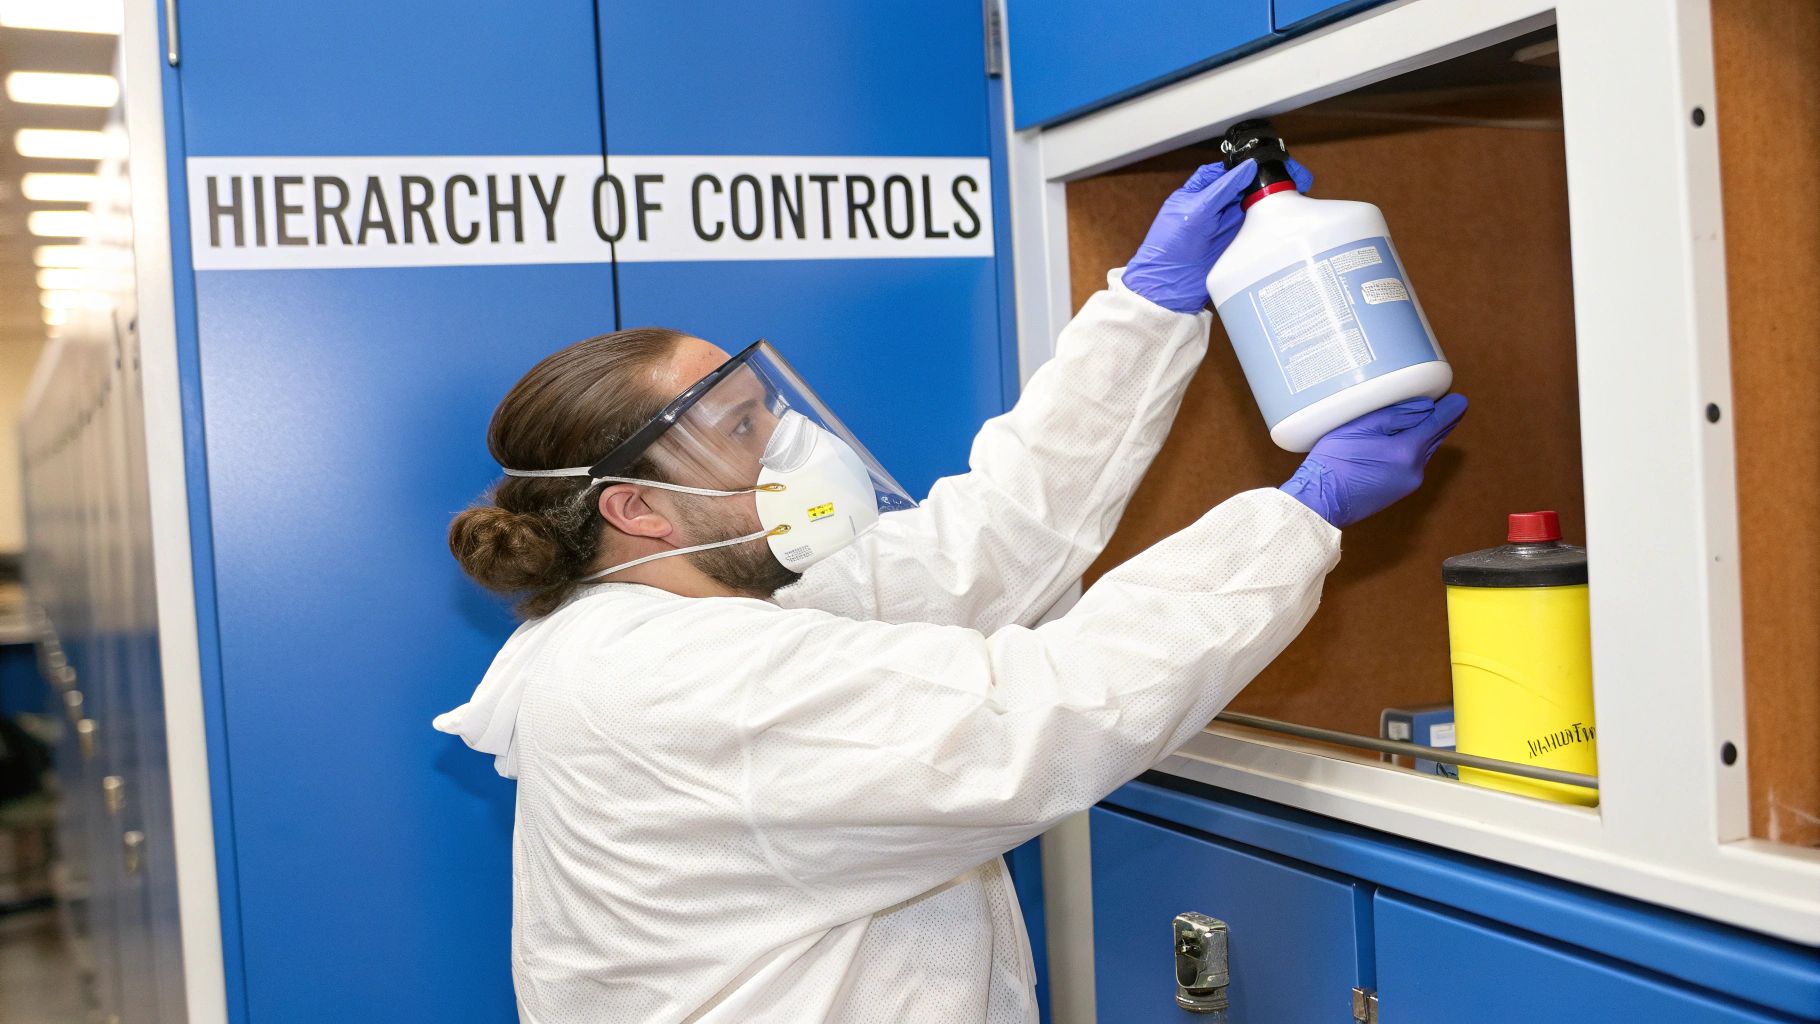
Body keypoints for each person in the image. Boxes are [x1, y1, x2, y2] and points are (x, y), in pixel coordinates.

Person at [435, 158, 1467, 1024]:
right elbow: (1040, 707)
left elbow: (987, 540)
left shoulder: (710, 616)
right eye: (743, 428)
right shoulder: (675, 680)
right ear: (638, 511)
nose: (791, 442)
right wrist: (1299, 514)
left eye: (766, 407)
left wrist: (1145, 309)